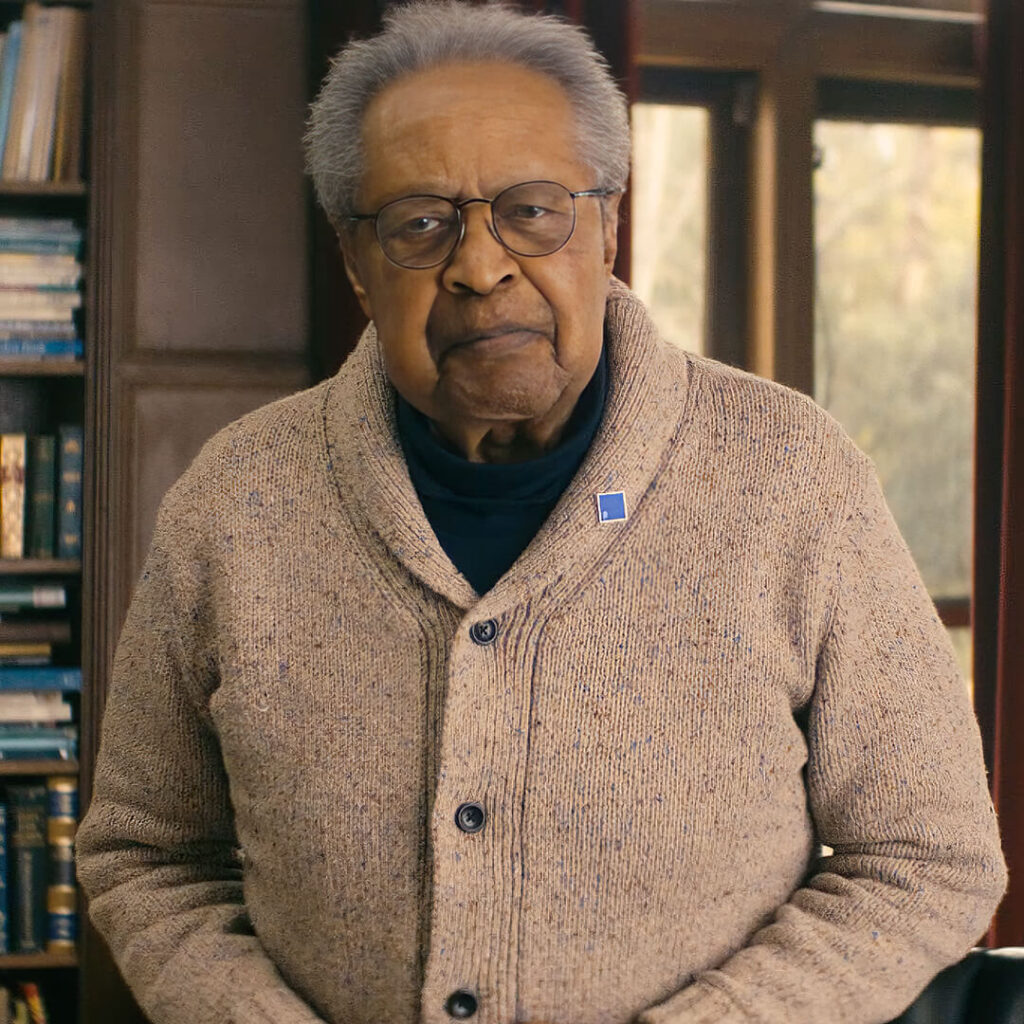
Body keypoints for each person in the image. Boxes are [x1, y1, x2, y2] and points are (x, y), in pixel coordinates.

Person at [76, 3, 1007, 1023]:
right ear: (355, 260)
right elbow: (146, 852)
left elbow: (927, 856)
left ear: (607, 220)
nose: (480, 268)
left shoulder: (792, 476)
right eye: (421, 224)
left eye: (531, 210)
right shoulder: (235, 499)